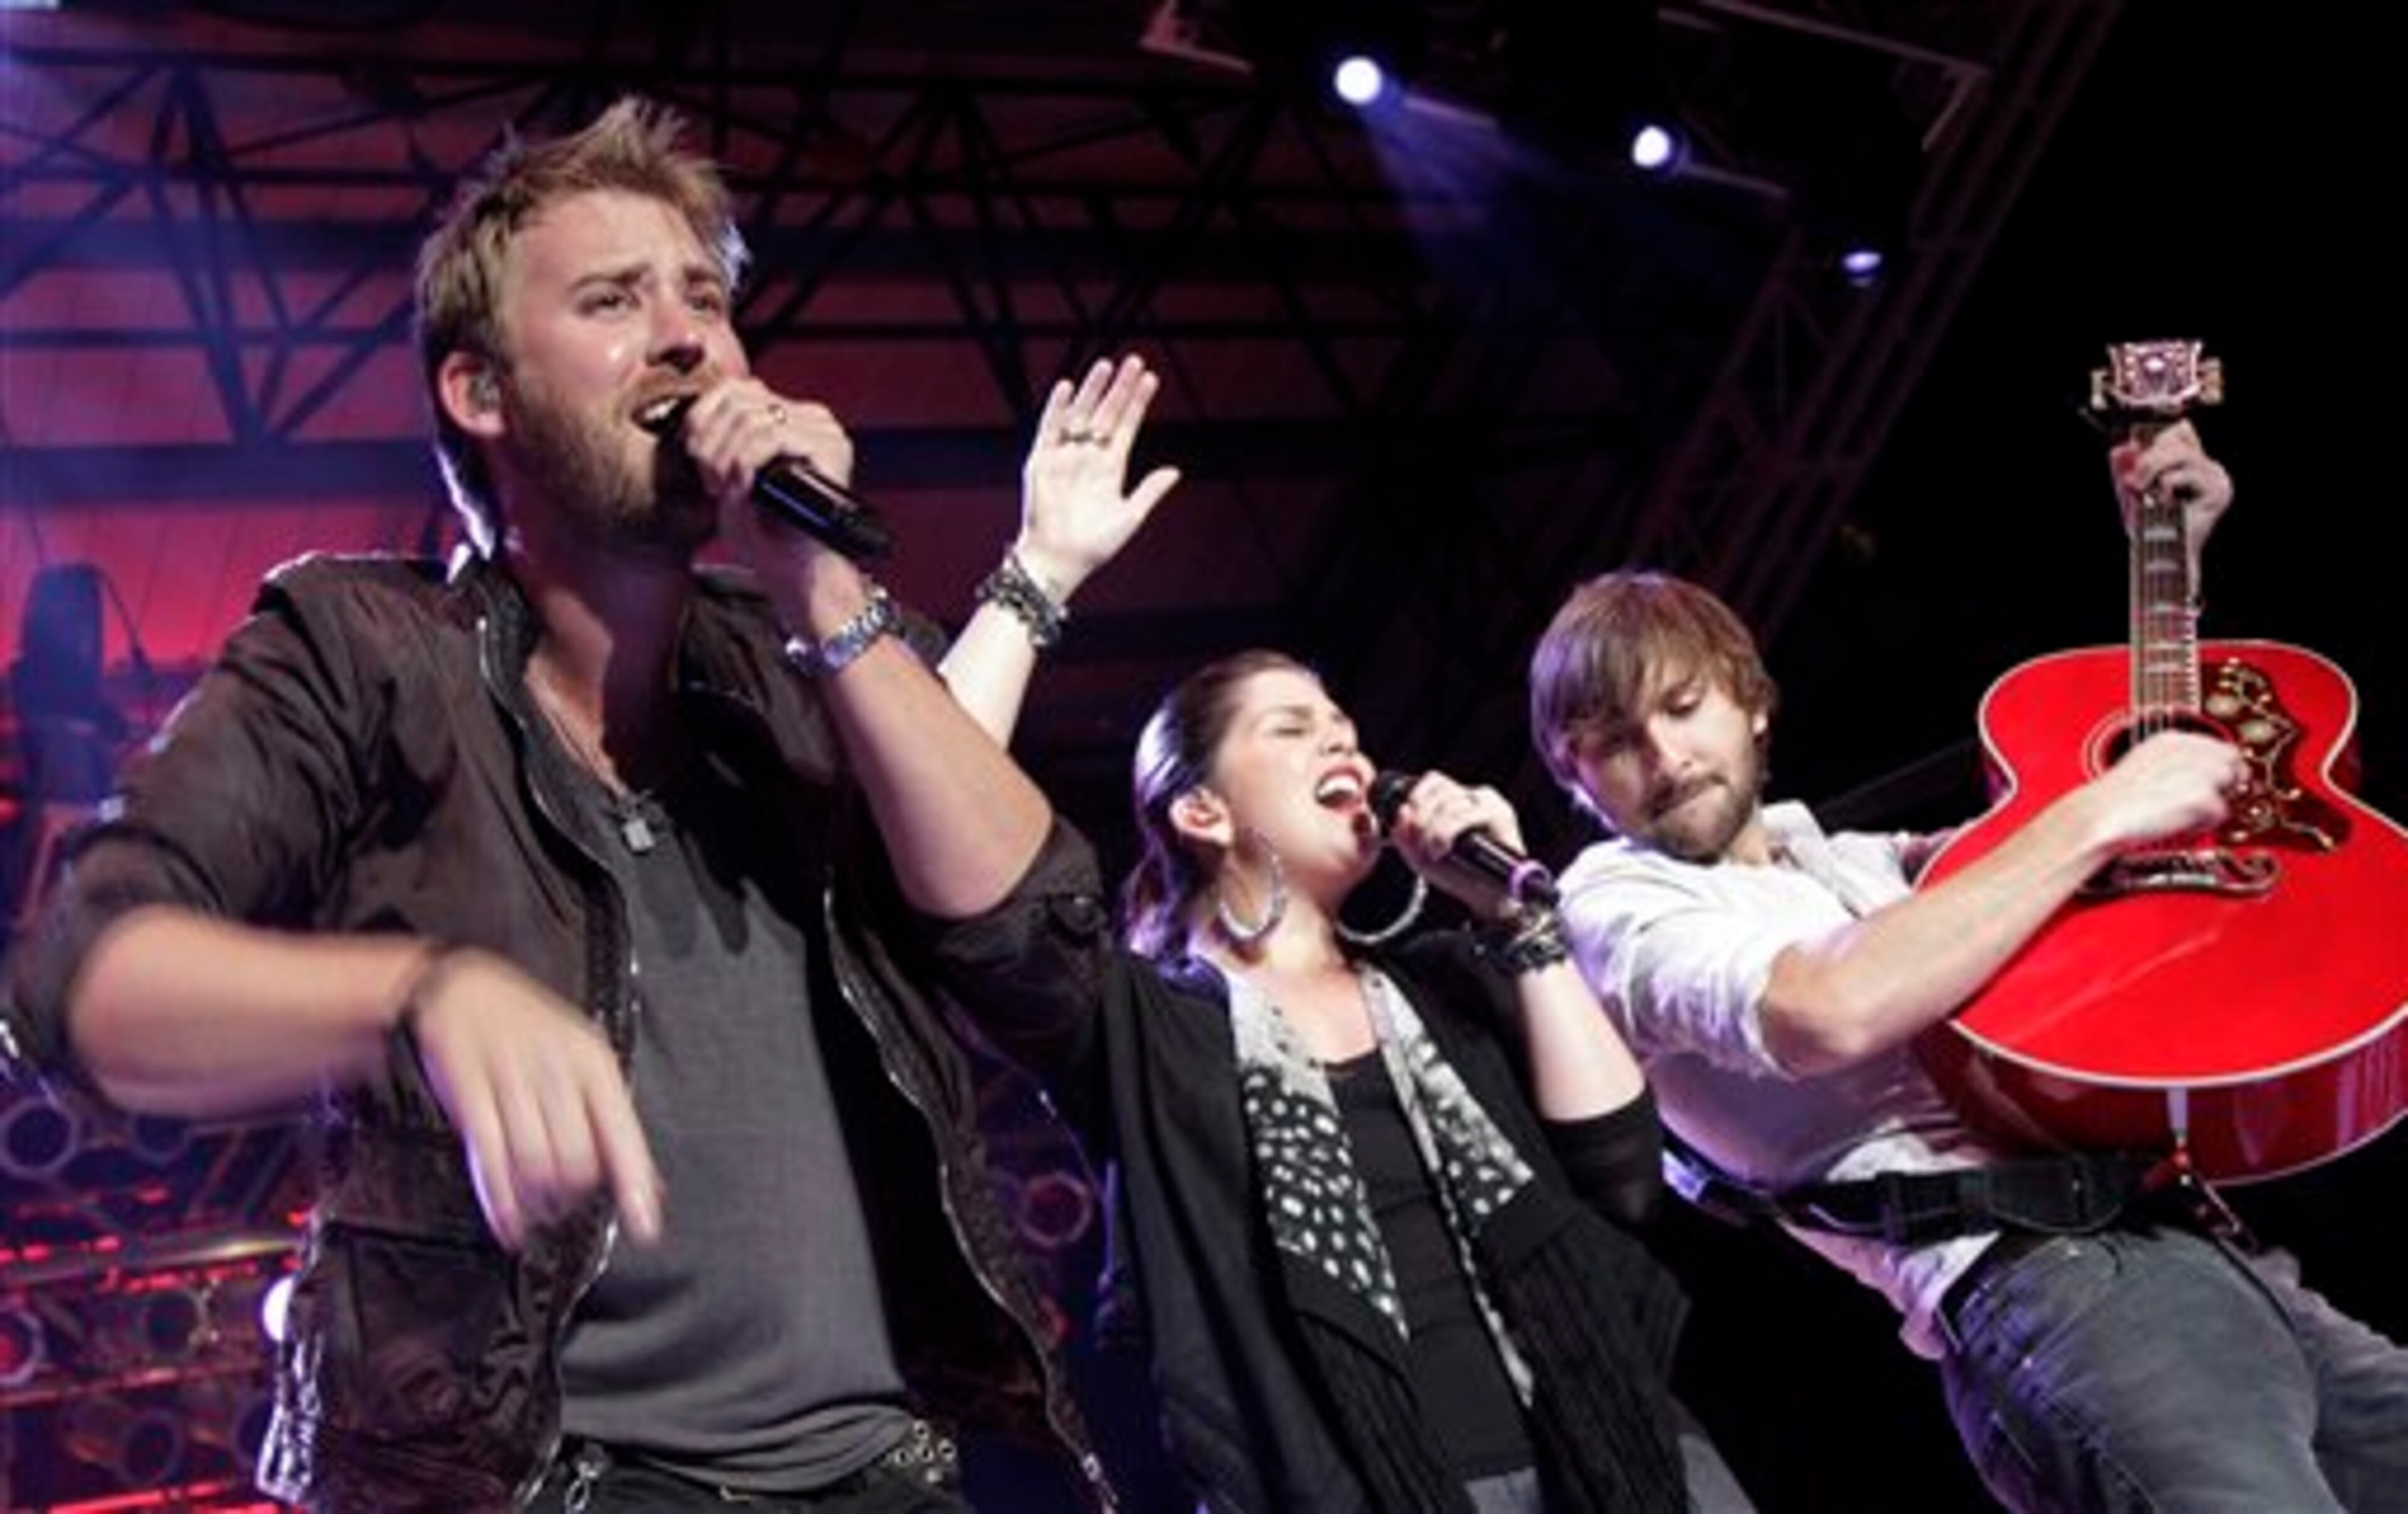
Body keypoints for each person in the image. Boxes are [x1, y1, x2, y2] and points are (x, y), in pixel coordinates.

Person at [0, 95, 1176, 1513]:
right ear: (481, 392)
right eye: (615, 300)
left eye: (705, 298)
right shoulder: (364, 653)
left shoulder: (808, 657)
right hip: (554, 1482)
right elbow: (83, 979)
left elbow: (1037, 950)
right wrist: (417, 988)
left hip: (886, 1473)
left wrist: (822, 587)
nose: (688, 337)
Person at [1527, 422, 2408, 1511]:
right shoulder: (1612, 902)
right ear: (1576, 781)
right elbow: (1824, 1010)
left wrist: (2168, 559)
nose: (1662, 760)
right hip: (2055, 1289)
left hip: (2207, 1251)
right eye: (1612, 743)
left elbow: (2156, 862)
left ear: (1749, 698)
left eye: (1680, 707)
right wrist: (2097, 812)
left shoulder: (1853, 863)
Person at [926, 646, 1756, 1513]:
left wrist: (1518, 922)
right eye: (1294, 729)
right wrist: (1041, 580)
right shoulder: (1143, 1030)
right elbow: (972, 880)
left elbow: (1624, 1173)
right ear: (1203, 811)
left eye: (1348, 732)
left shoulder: (1449, 981)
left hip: (1619, 1451)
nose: (1346, 750)